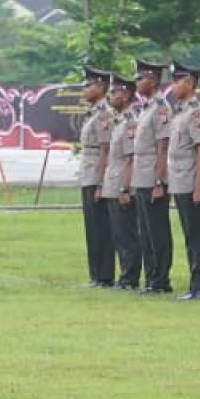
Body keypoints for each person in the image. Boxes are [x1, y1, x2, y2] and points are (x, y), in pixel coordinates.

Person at [164, 63, 200, 300]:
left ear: (190, 84)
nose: (173, 86)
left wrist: (198, 185)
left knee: (196, 233)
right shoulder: (181, 111)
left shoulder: (196, 113)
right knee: (188, 233)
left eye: (178, 81)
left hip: (191, 180)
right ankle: (196, 283)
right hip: (179, 179)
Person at [126, 60, 175, 295]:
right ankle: (151, 276)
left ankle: (161, 278)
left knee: (157, 230)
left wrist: (159, 180)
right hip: (141, 174)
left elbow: (163, 146)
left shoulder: (161, 108)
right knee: (144, 229)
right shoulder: (146, 108)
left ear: (153, 81)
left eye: (140, 78)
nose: (136, 83)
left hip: (153, 175)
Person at [75, 67, 116, 289]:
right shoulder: (93, 112)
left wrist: (101, 182)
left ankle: (105, 274)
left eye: (89, 85)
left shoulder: (104, 114)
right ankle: (96, 274)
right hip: (88, 172)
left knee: (101, 227)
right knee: (92, 227)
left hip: (96, 174)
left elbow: (106, 149)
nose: (85, 89)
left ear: (101, 87)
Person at [99, 76, 141, 290]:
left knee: (127, 234)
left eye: (115, 93)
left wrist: (125, 187)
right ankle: (124, 274)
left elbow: (131, 157)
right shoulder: (118, 120)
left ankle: (130, 276)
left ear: (125, 95)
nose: (111, 96)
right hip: (112, 181)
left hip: (122, 183)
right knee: (118, 233)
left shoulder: (130, 121)